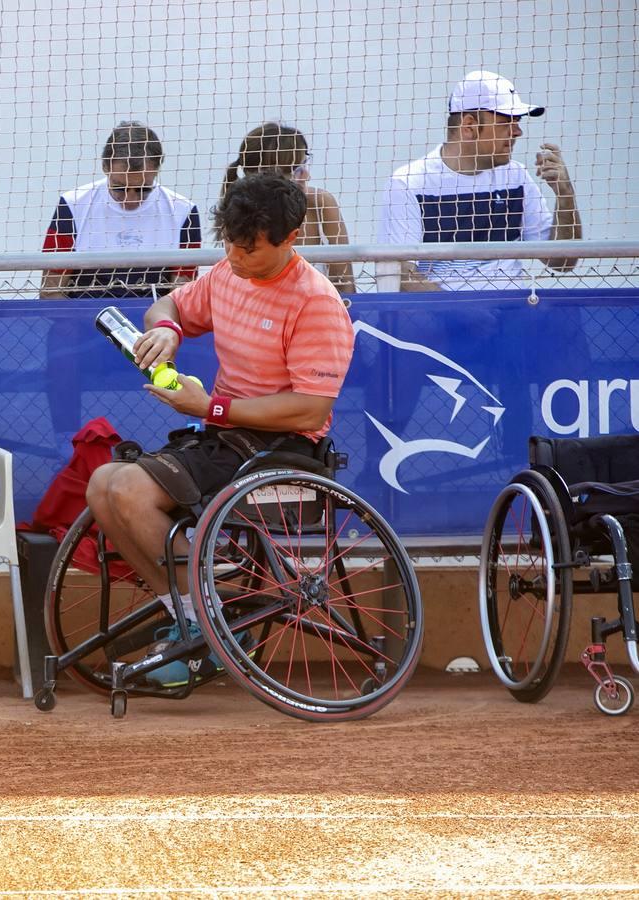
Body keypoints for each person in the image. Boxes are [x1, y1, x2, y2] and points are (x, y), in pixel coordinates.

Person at [84, 174, 355, 687]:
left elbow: (310, 411)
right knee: (103, 485)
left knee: (123, 488)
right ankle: (198, 615)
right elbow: (169, 305)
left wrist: (212, 407)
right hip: (224, 438)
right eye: (228, 240)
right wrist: (164, 330)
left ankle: (203, 618)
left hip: (284, 450)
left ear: (290, 237)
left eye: (249, 247)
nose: (234, 254)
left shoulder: (316, 302)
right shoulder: (227, 272)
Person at [379, 70, 582, 291]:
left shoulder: (517, 177)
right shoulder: (409, 183)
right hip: (443, 321)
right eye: (507, 122)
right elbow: (401, 276)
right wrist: (466, 312)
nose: (518, 131)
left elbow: (562, 263)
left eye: (518, 121)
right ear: (469, 126)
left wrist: (565, 194)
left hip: (514, 316)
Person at [40, 121, 202, 299]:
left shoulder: (182, 211)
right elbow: (51, 291)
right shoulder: (73, 205)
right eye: (119, 188)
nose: (130, 200)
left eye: (143, 189)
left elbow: (183, 297)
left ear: (156, 171)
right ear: (105, 168)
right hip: (82, 318)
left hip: (154, 320)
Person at [221, 123, 354, 294]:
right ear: (272, 180)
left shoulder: (320, 204)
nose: (306, 175)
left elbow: (346, 286)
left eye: (305, 164)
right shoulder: (235, 214)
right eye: (298, 169)